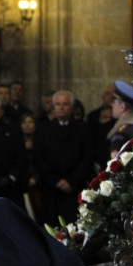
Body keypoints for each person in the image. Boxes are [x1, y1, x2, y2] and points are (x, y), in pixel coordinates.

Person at [32, 91, 93, 226]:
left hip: (75, 187)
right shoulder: (43, 129)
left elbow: (87, 157)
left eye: (65, 104)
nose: (61, 107)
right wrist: (56, 181)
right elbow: (38, 158)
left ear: (72, 107)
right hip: (51, 189)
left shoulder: (83, 129)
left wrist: (72, 181)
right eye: (58, 104)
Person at [107, 80, 133, 158]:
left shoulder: (122, 132)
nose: (111, 105)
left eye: (114, 102)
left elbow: (115, 162)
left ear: (122, 107)